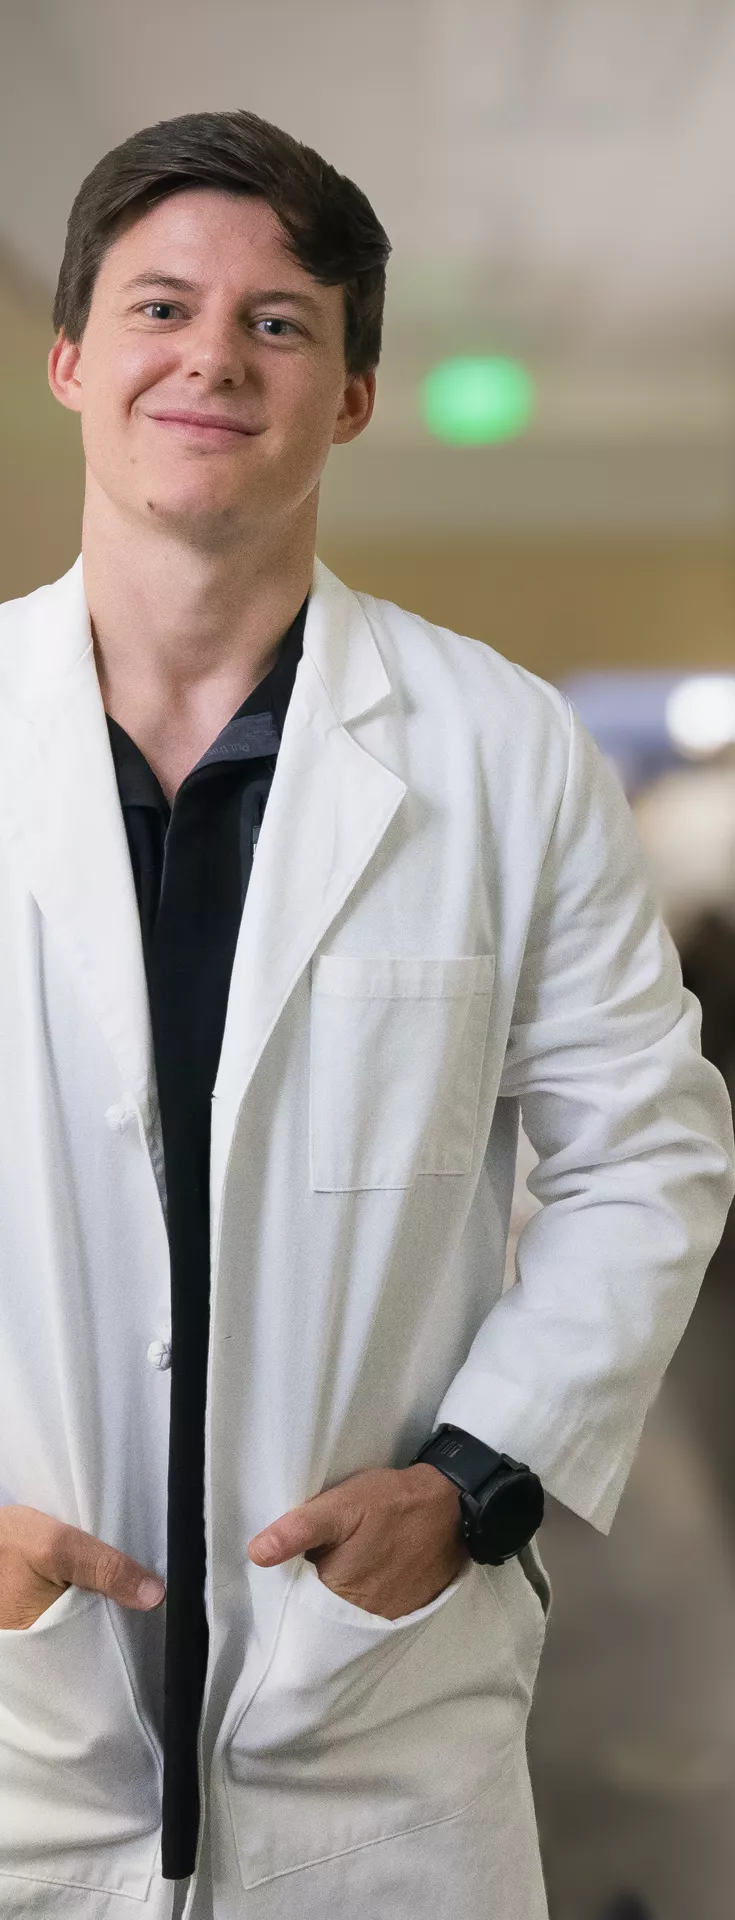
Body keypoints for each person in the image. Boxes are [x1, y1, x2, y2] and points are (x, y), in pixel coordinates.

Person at [0, 109, 731, 1920]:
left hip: (367, 1704)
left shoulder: (498, 750)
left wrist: (472, 1485)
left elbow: (646, 1152)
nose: (212, 357)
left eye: (278, 321)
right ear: (72, 357)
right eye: (161, 306)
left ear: (347, 397)